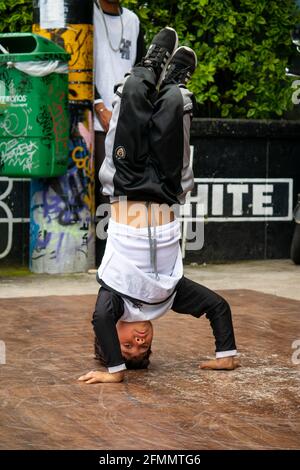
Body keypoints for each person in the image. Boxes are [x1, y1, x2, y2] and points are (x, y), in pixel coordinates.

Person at [79, 27, 239, 384]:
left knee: (134, 94)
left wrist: (115, 372)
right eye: (143, 350)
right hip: (167, 190)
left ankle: (152, 63)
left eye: (128, 348)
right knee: (172, 105)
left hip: (127, 185)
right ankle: (174, 80)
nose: (139, 343)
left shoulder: (115, 297)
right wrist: (225, 356)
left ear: (113, 337)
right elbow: (217, 307)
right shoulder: (169, 295)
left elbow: (100, 320)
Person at [94, 0, 144, 264]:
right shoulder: (86, 14)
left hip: (126, 122)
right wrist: (98, 104)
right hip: (94, 123)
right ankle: (101, 257)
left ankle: (116, 255)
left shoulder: (133, 21)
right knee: (102, 190)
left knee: (121, 191)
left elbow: (141, 71)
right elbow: (78, 62)